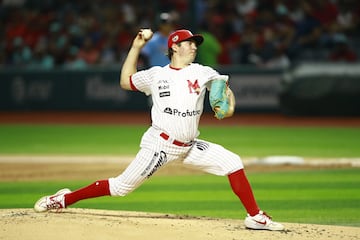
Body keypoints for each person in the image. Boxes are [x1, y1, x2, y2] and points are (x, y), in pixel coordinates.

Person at [34, 29, 285, 231]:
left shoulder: (203, 71)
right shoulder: (156, 75)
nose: (194, 46)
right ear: (174, 47)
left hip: (190, 146)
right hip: (160, 145)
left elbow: (221, 90)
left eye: (195, 43)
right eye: (188, 43)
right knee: (121, 187)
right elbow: (125, 81)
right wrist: (136, 47)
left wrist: (228, 99)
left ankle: (255, 216)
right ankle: (64, 199)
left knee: (232, 161)